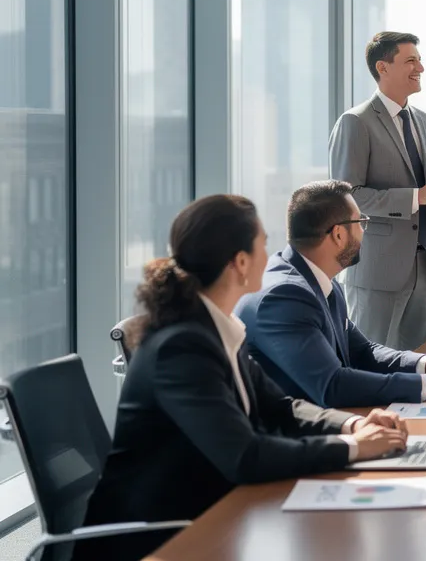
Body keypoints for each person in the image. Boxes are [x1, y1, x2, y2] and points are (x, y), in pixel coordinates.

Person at [75, 195, 408, 561]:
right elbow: (246, 456)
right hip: (159, 540)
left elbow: (281, 408)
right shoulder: (182, 348)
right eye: (263, 243)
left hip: (210, 511)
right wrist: (356, 449)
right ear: (240, 262)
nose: (272, 255)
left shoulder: (218, 328)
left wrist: (353, 426)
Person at [236, 181, 426, 408]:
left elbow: (362, 352)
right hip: (293, 438)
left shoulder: (318, 279)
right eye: (361, 222)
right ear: (339, 235)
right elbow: (332, 385)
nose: (365, 231)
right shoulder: (284, 296)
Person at [330, 31, 426, 350]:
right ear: (382, 68)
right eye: (410, 61)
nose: (420, 68)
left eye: (420, 60)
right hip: (379, 270)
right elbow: (348, 197)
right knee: (371, 364)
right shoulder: (355, 122)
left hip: (425, 269)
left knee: (421, 365)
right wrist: (418, 197)